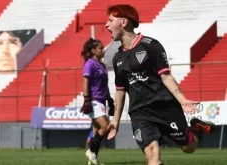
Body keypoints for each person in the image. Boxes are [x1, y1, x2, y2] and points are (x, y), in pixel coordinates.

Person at [105, 4, 216, 165]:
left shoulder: (151, 45)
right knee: (152, 154)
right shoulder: (117, 58)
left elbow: (166, 76)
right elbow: (120, 91)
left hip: (164, 106)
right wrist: (115, 120)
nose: (106, 25)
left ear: (123, 22)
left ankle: (196, 128)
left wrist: (183, 100)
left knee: (188, 147)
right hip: (139, 112)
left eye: (110, 20)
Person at [80, 38, 115, 165]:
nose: (103, 50)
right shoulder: (89, 64)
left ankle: (92, 160)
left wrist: (110, 100)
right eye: (100, 48)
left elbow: (104, 86)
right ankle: (90, 151)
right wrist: (87, 99)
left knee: (96, 132)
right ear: (93, 50)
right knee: (105, 127)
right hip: (94, 101)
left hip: (102, 101)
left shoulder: (103, 65)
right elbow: (86, 81)